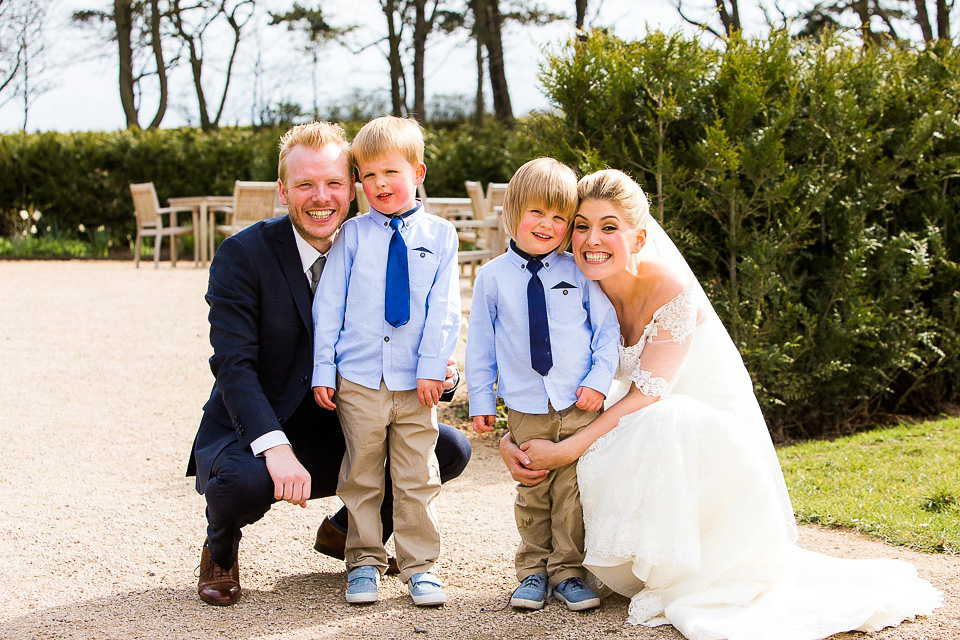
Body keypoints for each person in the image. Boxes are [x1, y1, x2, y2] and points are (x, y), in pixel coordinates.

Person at [499, 169, 942, 639]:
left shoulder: (671, 289)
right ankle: (577, 560)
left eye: (609, 227)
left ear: (640, 236)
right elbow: (533, 365)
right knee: (608, 435)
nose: (592, 240)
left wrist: (568, 447)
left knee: (663, 421)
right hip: (625, 408)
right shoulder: (573, 284)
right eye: (582, 226)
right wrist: (516, 437)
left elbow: (650, 392)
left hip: (693, 424)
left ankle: (670, 560)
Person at [186, 120, 471, 607]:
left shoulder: (378, 241)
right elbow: (234, 366)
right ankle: (220, 549)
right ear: (283, 191)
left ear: (352, 188)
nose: (322, 197)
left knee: (448, 449)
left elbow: (430, 316)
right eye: (305, 184)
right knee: (241, 482)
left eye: (335, 182)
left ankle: (347, 532)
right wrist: (272, 446)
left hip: (345, 416)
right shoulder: (242, 255)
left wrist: (444, 375)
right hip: (265, 425)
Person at [312, 116, 461, 607]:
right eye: (368, 175)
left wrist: (431, 366)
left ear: (418, 172)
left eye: (390, 173)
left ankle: (420, 566)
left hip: (417, 383)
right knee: (361, 475)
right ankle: (363, 561)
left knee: (418, 475)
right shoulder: (351, 237)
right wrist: (322, 370)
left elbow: (445, 308)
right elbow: (328, 304)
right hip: (358, 379)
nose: (379, 184)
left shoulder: (440, 236)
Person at [466, 158, 620, 612]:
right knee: (533, 488)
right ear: (512, 211)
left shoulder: (578, 271)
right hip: (526, 404)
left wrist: (597, 379)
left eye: (559, 217)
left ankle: (568, 571)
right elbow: (480, 345)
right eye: (537, 213)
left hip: (578, 401)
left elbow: (605, 331)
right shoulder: (492, 278)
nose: (548, 225)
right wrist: (482, 400)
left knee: (572, 490)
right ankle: (532, 570)